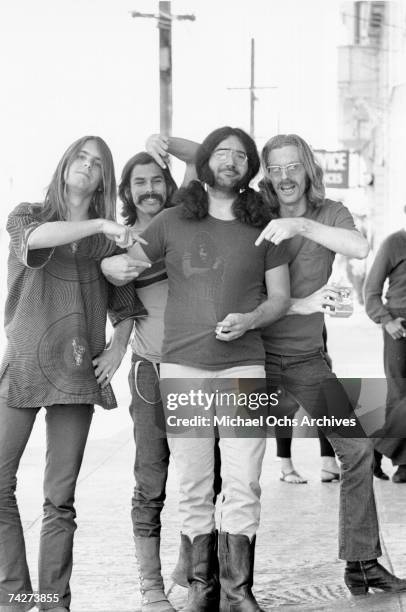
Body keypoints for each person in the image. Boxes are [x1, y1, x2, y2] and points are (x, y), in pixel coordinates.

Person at [107, 126, 290, 612]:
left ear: (250, 168)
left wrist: (251, 319)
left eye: (241, 155)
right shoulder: (170, 221)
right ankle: (202, 591)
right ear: (206, 163)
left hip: (245, 368)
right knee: (191, 482)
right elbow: (122, 267)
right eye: (221, 153)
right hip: (181, 368)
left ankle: (238, 591)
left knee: (244, 480)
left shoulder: (265, 224)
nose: (230, 161)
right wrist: (112, 268)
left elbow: (280, 299)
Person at [256, 132, 406, 595]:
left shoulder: (328, 213)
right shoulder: (252, 211)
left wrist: (300, 227)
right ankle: (209, 574)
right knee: (232, 460)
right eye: (274, 167)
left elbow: (358, 248)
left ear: (308, 170)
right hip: (251, 354)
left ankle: (361, 564)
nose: (284, 177)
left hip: (306, 358)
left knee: (357, 449)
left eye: (292, 166)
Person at [0, 136, 145, 612]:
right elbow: (36, 244)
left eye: (97, 163)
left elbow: (126, 310)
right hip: (21, 366)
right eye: (80, 158)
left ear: (103, 176)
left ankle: (54, 603)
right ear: (65, 165)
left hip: (75, 372)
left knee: (59, 499)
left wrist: (117, 350)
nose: (86, 166)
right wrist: (102, 225)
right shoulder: (27, 215)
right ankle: (19, 598)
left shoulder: (108, 242)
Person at [96, 148, 194, 612]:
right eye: (140, 182)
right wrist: (118, 342)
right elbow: (119, 303)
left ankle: (190, 570)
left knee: (202, 477)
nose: (150, 188)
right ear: (127, 191)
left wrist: (165, 139)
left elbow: (204, 156)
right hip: (150, 374)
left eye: (157, 179)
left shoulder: (186, 223)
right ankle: (151, 586)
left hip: (199, 370)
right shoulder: (118, 240)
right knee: (151, 479)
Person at [364, 224, 406, 482]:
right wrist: (386, 321)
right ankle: (402, 463)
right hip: (399, 327)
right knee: (399, 394)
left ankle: (378, 447)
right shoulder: (395, 242)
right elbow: (370, 292)